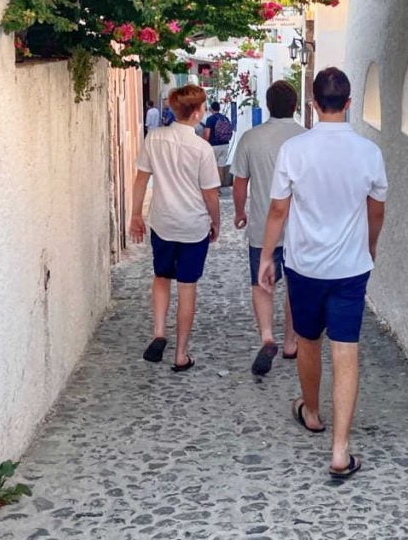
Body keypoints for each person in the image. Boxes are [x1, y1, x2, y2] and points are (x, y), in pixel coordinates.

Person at [258, 67, 387, 479]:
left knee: (309, 341)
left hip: (305, 265)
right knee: (346, 350)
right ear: (348, 104)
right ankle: (340, 450)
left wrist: (266, 257)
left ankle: (311, 412)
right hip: (350, 267)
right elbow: (376, 208)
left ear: (314, 104)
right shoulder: (369, 153)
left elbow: (278, 209)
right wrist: (370, 245)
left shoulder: (295, 150)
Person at [130, 84, 221, 372]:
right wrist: (216, 222)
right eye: (203, 107)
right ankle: (181, 354)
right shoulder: (202, 149)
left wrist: (135, 215)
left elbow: (141, 180)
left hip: (163, 221)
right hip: (193, 226)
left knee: (161, 276)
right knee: (187, 287)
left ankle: (159, 332)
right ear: (196, 113)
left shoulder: (154, 139)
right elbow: (210, 194)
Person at [232, 82, 306, 375]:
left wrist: (240, 212)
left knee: (261, 284)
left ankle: (266, 336)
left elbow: (240, 182)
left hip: (263, 226)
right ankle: (291, 342)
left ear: (268, 104)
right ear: (295, 104)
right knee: (294, 286)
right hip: (298, 229)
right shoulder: (305, 138)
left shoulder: (251, 138)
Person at [203, 101, 234, 187]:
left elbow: (207, 134)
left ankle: (213, 188)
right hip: (225, 145)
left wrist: (203, 145)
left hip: (214, 146)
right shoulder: (225, 118)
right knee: (221, 168)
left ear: (211, 109)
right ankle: (219, 188)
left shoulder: (210, 119)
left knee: (211, 168)